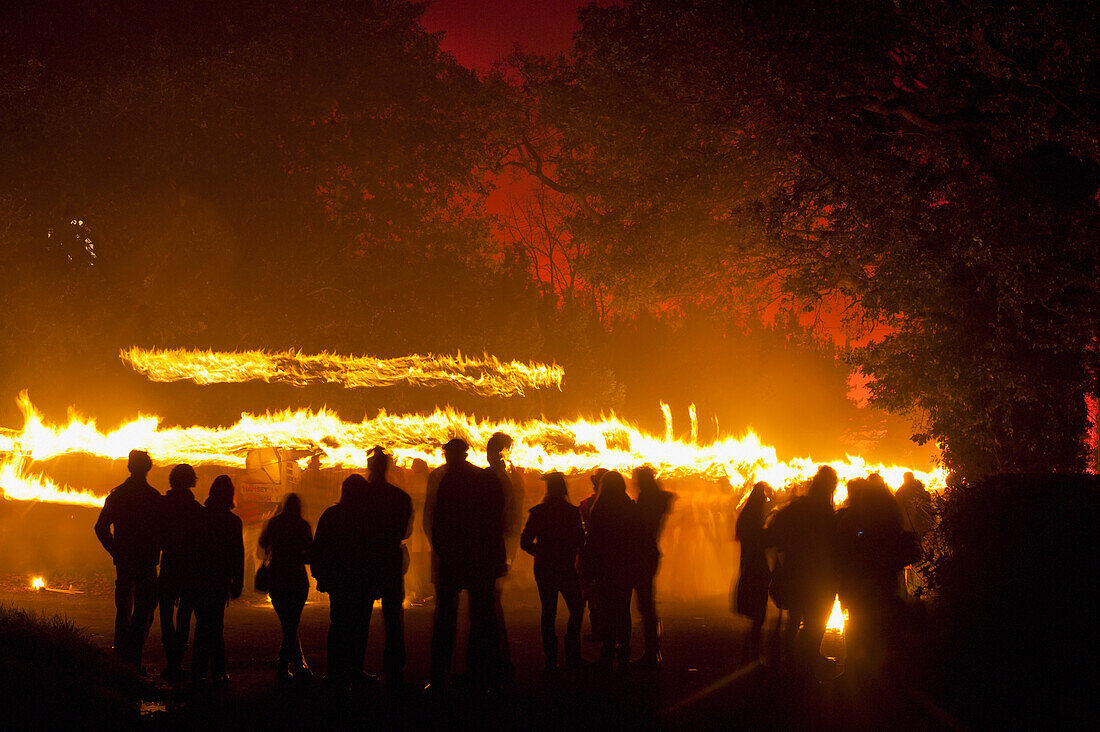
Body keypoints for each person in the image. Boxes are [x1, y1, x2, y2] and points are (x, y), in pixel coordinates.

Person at [427, 438, 506, 694]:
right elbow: (497, 521)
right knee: (482, 618)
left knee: (446, 618)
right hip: (480, 559)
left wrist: (441, 552)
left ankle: (440, 677)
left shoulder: (448, 481)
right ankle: (481, 674)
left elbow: (437, 521)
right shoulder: (486, 479)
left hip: (455, 559)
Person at [94, 449, 163, 669]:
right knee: (145, 608)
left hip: (125, 560)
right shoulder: (153, 498)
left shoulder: (118, 495)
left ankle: (122, 659)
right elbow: (164, 531)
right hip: (146, 560)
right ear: (148, 468)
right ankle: (134, 656)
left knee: (124, 608)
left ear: (129, 467)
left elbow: (101, 527)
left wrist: (116, 551)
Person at [835, 474, 907, 683]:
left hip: (860, 584)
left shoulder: (856, 520)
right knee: (880, 622)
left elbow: (843, 552)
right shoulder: (891, 520)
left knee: (859, 623)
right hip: (882, 582)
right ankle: (883, 668)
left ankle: (856, 670)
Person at [767, 465, 838, 677]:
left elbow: (775, 532)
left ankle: (793, 658)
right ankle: (806, 657)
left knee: (797, 616)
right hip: (817, 574)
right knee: (815, 618)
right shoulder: (823, 510)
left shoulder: (799, 507)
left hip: (797, 570)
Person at [311, 473, 373, 691]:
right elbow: (374, 552)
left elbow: (318, 549)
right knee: (359, 628)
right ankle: (354, 670)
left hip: (340, 582)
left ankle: (335, 672)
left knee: (339, 626)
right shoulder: (368, 518)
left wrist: (321, 577)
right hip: (361, 582)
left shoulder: (332, 515)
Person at [520, 471, 586, 674]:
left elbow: (525, 542)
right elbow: (580, 540)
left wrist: (540, 552)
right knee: (576, 607)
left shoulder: (539, 512)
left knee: (548, 611)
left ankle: (551, 659)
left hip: (545, 567)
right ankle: (572, 653)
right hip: (565, 567)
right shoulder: (572, 512)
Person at [580, 470, 645, 674]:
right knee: (623, 611)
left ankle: (607, 655)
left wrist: (587, 567)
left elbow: (593, 540)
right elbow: (636, 540)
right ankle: (624, 654)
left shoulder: (600, 508)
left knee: (607, 612)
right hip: (624, 568)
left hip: (606, 568)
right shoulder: (629, 507)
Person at [362, 447, 413, 690]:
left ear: (371, 467)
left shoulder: (361, 496)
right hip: (391, 558)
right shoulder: (401, 497)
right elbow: (406, 532)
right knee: (393, 617)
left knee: (359, 617)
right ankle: (394, 669)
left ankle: (354, 666)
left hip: (366, 559)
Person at [189, 475, 244, 684]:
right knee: (215, 624)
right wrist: (237, 582)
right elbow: (237, 554)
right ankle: (217, 670)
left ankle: (199, 670)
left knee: (202, 624)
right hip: (219, 580)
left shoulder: (200, 518)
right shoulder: (232, 522)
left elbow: (192, 550)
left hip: (199, 578)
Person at [258, 492, 313, 685]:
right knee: (292, 624)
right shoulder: (303, 525)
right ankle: (288, 665)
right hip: (297, 579)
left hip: (277, 577)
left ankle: (295, 664)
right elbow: (310, 553)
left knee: (288, 624)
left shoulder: (274, 523)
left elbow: (262, 545)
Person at [158, 463, 204, 681]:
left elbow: (155, 536)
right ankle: (177, 660)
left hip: (169, 565)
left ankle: (171, 661)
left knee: (166, 614)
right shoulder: (197, 511)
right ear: (191, 482)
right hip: (190, 569)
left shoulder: (162, 506)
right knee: (185, 615)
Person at [485, 431, 520, 684]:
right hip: (495, 548)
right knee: (490, 606)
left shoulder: (499, 478)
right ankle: (499, 660)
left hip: (491, 548)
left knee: (489, 607)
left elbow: (505, 519)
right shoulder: (504, 478)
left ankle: (497, 663)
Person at [633, 465, 675, 667]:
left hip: (643, 554)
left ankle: (652, 651)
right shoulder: (656, 497)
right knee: (647, 604)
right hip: (649, 553)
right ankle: (653, 650)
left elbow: (641, 526)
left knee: (645, 604)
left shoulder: (647, 499)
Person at [733, 481, 772, 665]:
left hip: (749, 568)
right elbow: (761, 541)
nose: (766, 500)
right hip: (755, 569)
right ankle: (752, 657)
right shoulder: (753, 520)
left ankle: (748, 657)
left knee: (756, 617)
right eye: (764, 496)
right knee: (758, 616)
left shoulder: (747, 516)